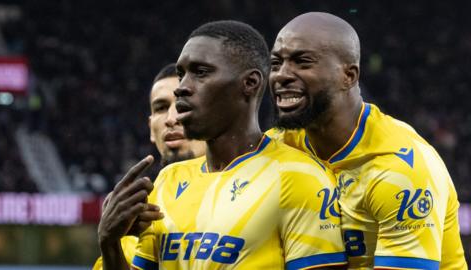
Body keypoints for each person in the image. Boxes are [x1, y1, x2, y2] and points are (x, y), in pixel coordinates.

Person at [99, 20, 347, 269]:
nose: (182, 88)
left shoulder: (300, 179)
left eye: (201, 72)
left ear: (250, 83)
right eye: (182, 74)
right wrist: (110, 244)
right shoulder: (168, 181)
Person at [267, 12, 467, 269]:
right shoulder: (278, 148)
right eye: (275, 64)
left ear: (348, 76)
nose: (281, 75)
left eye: (302, 62)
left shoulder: (401, 167)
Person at [93, 64, 206, 270]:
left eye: (184, 104)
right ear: (151, 129)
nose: (172, 119)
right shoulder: (129, 232)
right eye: (161, 107)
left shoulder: (258, 193)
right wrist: (110, 243)